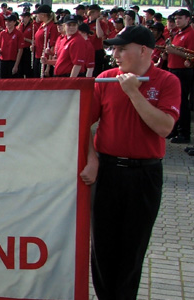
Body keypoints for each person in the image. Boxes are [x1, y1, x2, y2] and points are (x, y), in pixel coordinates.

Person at [80, 25, 181, 300]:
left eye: (123, 48)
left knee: (132, 248)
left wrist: (134, 92)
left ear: (144, 51)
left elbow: (164, 128)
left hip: (144, 175)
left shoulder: (166, 81)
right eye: (114, 48)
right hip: (108, 172)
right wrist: (91, 159)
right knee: (102, 247)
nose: (116, 54)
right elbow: (83, 124)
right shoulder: (105, 79)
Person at [165, 9, 194, 144]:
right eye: (176, 18)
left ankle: (184, 133)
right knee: (174, 101)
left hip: (183, 71)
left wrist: (174, 51)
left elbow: (191, 55)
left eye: (180, 18)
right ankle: (174, 129)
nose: (177, 21)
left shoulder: (190, 34)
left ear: (188, 19)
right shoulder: (177, 33)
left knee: (182, 102)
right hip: (173, 69)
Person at [32, 5, 58, 78]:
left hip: (45, 59)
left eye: (38, 14)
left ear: (43, 15)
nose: (37, 16)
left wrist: (48, 66)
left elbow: (52, 46)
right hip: (38, 56)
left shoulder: (52, 26)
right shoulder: (42, 25)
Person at [0, 14, 23, 78]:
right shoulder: (2, 33)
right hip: (3, 61)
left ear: (14, 22)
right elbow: (0, 47)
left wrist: (16, 65)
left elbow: (20, 50)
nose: (7, 23)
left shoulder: (18, 33)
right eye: (6, 21)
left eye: (10, 21)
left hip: (13, 61)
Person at [85, 4, 107, 77]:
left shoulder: (102, 23)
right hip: (86, 50)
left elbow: (99, 35)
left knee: (97, 71)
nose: (99, 13)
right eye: (98, 12)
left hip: (97, 50)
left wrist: (97, 21)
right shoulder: (85, 23)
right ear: (92, 12)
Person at [18, 11, 35, 78]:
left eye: (24, 17)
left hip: (28, 49)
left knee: (28, 68)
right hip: (20, 48)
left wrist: (25, 39)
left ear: (28, 18)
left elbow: (34, 40)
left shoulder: (33, 27)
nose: (23, 18)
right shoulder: (20, 26)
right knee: (20, 68)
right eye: (22, 17)